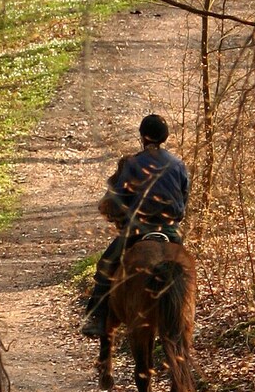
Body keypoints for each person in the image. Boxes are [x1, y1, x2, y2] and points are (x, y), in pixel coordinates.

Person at [82, 114, 191, 340]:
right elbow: (184, 197)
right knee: (185, 270)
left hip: (139, 229)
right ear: (165, 137)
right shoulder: (179, 164)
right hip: (171, 230)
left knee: (105, 266)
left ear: (142, 136)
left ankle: (97, 317)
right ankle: (186, 317)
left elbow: (119, 198)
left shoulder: (132, 163)